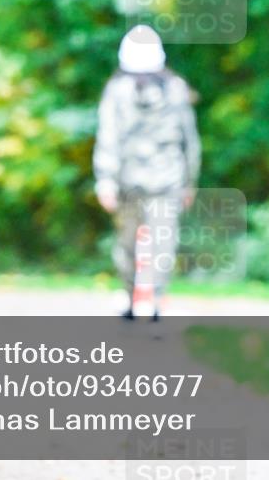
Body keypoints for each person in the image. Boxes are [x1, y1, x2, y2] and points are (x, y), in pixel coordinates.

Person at [93, 25, 200, 321]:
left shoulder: (116, 89)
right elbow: (189, 140)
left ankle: (132, 301)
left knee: (129, 245)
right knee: (162, 244)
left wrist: (105, 180)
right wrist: (189, 181)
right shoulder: (176, 87)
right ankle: (152, 303)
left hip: (131, 182)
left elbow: (108, 136)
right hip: (165, 181)